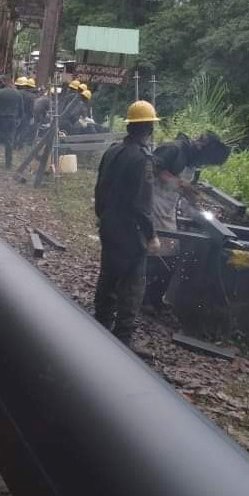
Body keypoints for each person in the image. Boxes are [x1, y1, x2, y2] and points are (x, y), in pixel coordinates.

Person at [93, 101, 161, 352]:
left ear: (130, 125)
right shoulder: (142, 160)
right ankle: (123, 338)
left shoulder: (113, 151)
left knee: (108, 275)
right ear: (149, 129)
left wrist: (102, 215)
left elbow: (100, 188)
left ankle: (100, 324)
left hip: (109, 225)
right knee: (132, 284)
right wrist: (152, 234)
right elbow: (141, 203)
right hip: (130, 232)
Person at [144, 130, 232, 313]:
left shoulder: (192, 163)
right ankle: (145, 299)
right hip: (150, 203)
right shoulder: (173, 149)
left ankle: (155, 298)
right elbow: (151, 166)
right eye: (205, 160)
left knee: (171, 253)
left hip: (167, 208)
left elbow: (184, 192)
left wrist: (195, 204)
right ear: (200, 147)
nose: (203, 165)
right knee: (158, 253)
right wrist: (180, 184)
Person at [0, 76, 29, 168]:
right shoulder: (18, 94)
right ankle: (8, 163)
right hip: (11, 121)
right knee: (9, 141)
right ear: (12, 83)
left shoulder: (0, 93)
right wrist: (19, 119)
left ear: (5, 84)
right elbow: (21, 110)